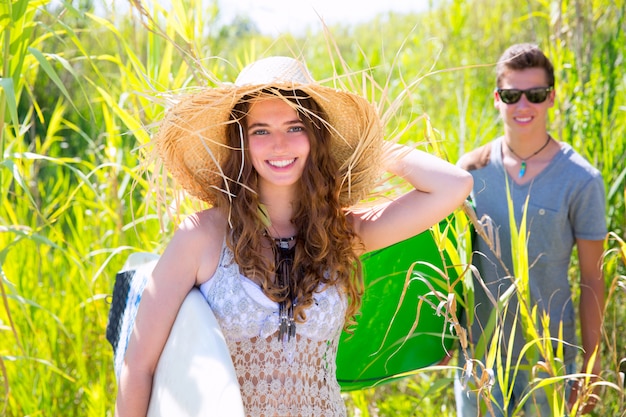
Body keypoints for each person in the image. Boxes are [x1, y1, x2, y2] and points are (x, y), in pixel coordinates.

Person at [114, 56, 473, 416]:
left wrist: (368, 147)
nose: (280, 145)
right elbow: (138, 366)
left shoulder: (343, 233)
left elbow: (453, 186)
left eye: (295, 127)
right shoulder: (202, 236)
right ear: (241, 142)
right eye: (261, 131)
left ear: (316, 136)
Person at [455, 43, 607, 416]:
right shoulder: (470, 171)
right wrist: (447, 336)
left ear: (551, 98)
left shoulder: (581, 180)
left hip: (548, 362)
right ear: (497, 98)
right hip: (480, 358)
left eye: (535, 95)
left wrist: (591, 368)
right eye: (511, 95)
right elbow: (454, 265)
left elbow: (592, 279)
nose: (523, 106)